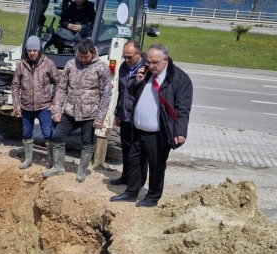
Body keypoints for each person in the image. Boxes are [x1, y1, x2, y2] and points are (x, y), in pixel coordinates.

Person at [110, 43, 193, 207]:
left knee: (156, 166)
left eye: (154, 62)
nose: (150, 66)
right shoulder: (147, 72)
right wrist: (138, 81)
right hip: (138, 130)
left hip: (158, 133)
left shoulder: (179, 78)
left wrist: (180, 132)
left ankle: (153, 197)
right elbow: (134, 93)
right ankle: (131, 192)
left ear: (165, 60)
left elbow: (182, 108)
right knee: (134, 162)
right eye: (148, 62)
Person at [45, 38, 111, 182]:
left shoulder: (101, 68)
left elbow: (106, 94)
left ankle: (82, 170)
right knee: (57, 136)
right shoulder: (70, 64)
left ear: (92, 53)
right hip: (70, 110)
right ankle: (58, 167)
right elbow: (61, 89)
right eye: (80, 56)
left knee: (87, 141)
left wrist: (100, 118)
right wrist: (57, 110)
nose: (82, 59)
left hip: (90, 113)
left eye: (85, 57)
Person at [12, 36, 60, 170]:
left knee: (48, 134)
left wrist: (54, 102)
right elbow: (15, 85)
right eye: (30, 50)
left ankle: (52, 162)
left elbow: (58, 82)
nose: (32, 53)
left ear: (39, 50)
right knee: (26, 133)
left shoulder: (48, 64)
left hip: (44, 106)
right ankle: (28, 160)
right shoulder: (21, 65)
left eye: (35, 50)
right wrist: (16, 104)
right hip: (26, 106)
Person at [110, 41, 148, 187]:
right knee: (126, 149)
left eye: (129, 57)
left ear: (139, 54)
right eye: (124, 56)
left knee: (139, 151)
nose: (126, 60)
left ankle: (138, 181)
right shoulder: (124, 67)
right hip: (125, 115)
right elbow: (122, 92)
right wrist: (117, 113)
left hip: (139, 118)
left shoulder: (147, 69)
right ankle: (125, 177)